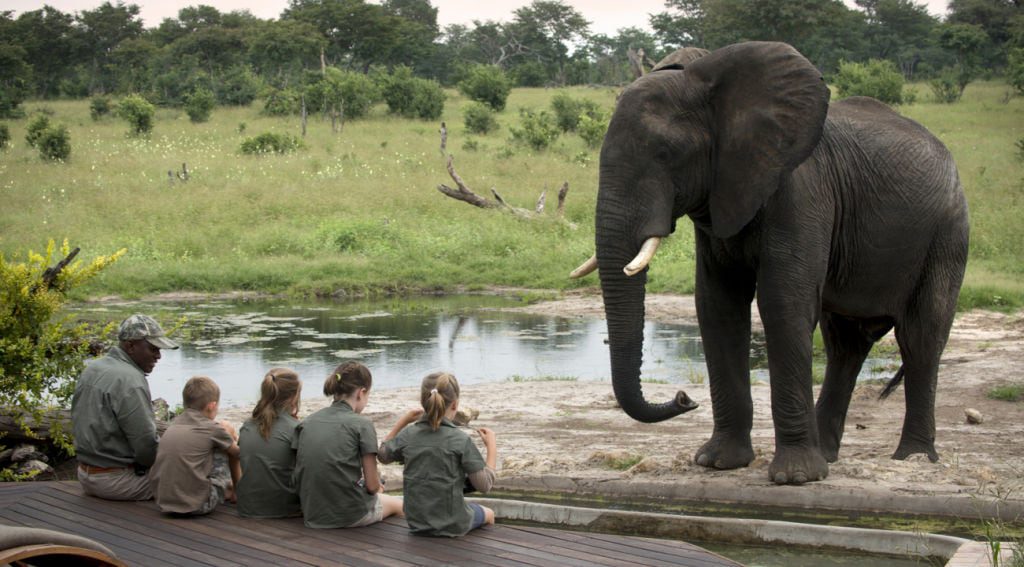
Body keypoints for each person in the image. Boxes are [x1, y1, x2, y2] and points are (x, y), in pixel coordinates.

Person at [71, 313, 179, 501]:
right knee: (192, 480)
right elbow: (145, 447)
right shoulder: (131, 380)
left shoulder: (93, 368)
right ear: (130, 346)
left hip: (85, 474)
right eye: (153, 349)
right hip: (117, 481)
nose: (158, 356)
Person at [379, 371, 497, 537]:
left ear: (422, 402)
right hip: (452, 523)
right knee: (489, 514)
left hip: (416, 523)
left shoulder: (408, 435)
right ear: (455, 405)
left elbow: (382, 456)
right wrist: (491, 446)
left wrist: (403, 422)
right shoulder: (460, 439)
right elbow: (484, 485)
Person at [292, 361, 403, 528]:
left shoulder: (307, 422)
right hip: (349, 515)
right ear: (361, 392)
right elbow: (372, 487)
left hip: (312, 512)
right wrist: (377, 487)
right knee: (399, 505)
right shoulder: (362, 425)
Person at [150, 376, 241, 515]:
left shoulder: (174, 425)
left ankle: (228, 489)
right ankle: (235, 490)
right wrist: (233, 437)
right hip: (198, 505)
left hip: (163, 502)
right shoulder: (212, 429)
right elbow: (239, 454)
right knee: (225, 432)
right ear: (211, 406)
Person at [236, 368, 302, 518]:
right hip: (284, 509)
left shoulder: (247, 425)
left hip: (247, 507)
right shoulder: (295, 428)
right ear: (293, 397)